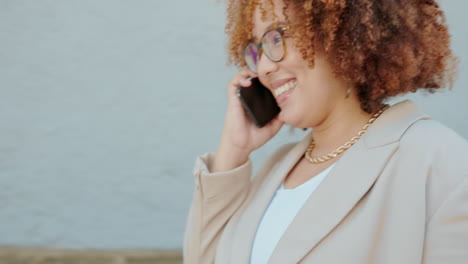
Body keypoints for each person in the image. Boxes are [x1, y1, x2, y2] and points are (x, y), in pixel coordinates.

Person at [183, 0, 468, 263]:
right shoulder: (275, 170)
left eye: (276, 37)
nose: (265, 67)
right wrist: (233, 150)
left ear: (342, 34)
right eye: (257, 49)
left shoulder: (440, 162)